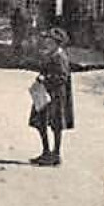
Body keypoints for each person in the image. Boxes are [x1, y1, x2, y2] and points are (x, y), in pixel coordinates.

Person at [29, 27, 75, 167]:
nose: (46, 42)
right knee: (40, 122)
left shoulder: (60, 57)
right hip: (46, 93)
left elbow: (62, 77)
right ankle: (46, 152)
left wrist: (45, 78)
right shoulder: (51, 54)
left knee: (55, 125)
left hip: (55, 95)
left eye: (49, 40)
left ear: (57, 42)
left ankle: (55, 154)